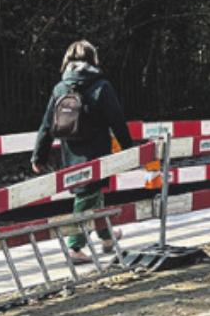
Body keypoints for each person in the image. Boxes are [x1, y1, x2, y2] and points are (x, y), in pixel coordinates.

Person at [33, 40, 135, 264]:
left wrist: (38, 156)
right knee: (86, 195)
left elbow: (47, 125)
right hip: (96, 150)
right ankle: (74, 246)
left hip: (70, 151)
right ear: (93, 60)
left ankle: (106, 236)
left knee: (93, 192)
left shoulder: (60, 88)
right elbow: (117, 121)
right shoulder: (101, 86)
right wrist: (130, 151)